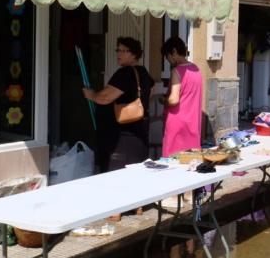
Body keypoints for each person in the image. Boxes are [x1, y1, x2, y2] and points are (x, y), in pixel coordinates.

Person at [82, 37, 154, 173]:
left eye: (124, 51)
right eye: (118, 50)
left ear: (134, 54)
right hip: (138, 137)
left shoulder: (125, 73)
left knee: (117, 180)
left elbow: (105, 97)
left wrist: (91, 95)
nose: (119, 54)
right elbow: (151, 89)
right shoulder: (142, 72)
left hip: (122, 140)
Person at [160, 37, 203, 157]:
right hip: (193, 122)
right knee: (191, 161)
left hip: (177, 123)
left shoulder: (177, 71)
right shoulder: (196, 69)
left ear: (174, 52)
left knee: (173, 161)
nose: (168, 60)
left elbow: (173, 100)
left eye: (167, 56)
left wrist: (163, 100)